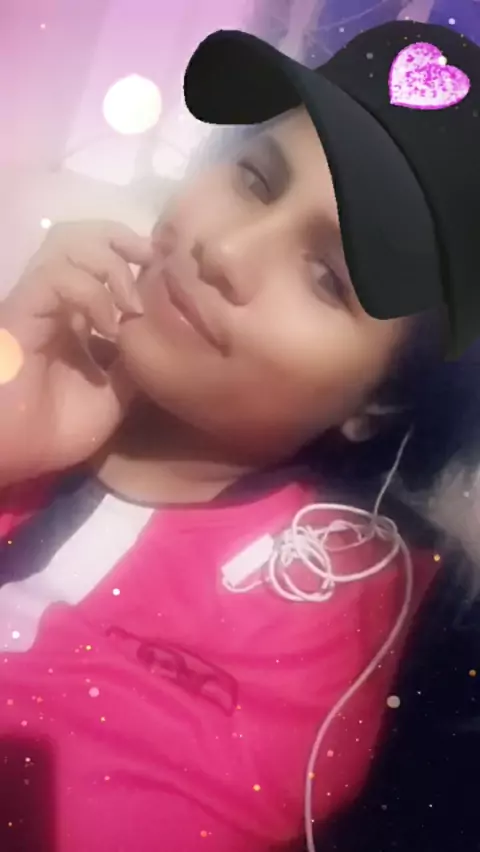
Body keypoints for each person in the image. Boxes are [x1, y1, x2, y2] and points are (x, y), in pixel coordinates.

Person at [1, 19, 480, 852]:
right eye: (255, 181)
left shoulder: (366, 623)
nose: (222, 249)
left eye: (327, 277)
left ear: (380, 403)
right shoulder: (27, 351)